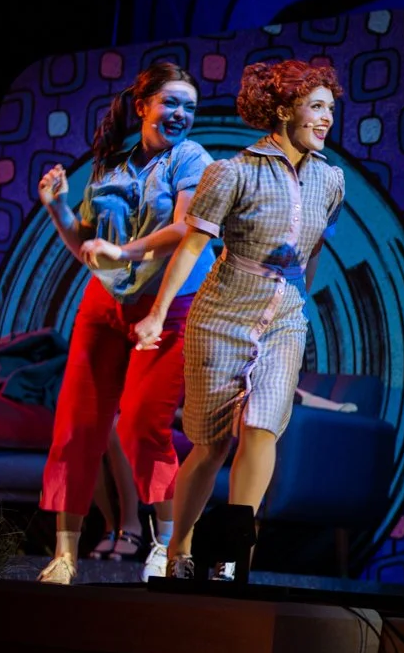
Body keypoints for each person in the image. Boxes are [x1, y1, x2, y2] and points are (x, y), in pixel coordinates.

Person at [133, 58, 345, 581]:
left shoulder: (331, 179)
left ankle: (232, 554)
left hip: (284, 315)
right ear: (282, 110)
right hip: (223, 311)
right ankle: (179, 547)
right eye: (315, 107)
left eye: (331, 110)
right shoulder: (232, 172)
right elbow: (191, 247)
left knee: (262, 428)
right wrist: (158, 315)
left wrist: (300, 297)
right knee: (211, 444)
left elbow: (313, 249)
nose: (326, 119)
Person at [35, 61, 214, 585]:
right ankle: (65, 555)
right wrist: (58, 211)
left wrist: (125, 249)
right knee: (76, 425)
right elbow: (90, 249)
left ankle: (166, 544)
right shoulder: (109, 163)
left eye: (189, 107)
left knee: (140, 423)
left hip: (170, 303)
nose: (181, 114)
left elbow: (186, 227)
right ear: (143, 105)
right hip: (105, 305)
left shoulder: (191, 158)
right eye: (171, 103)